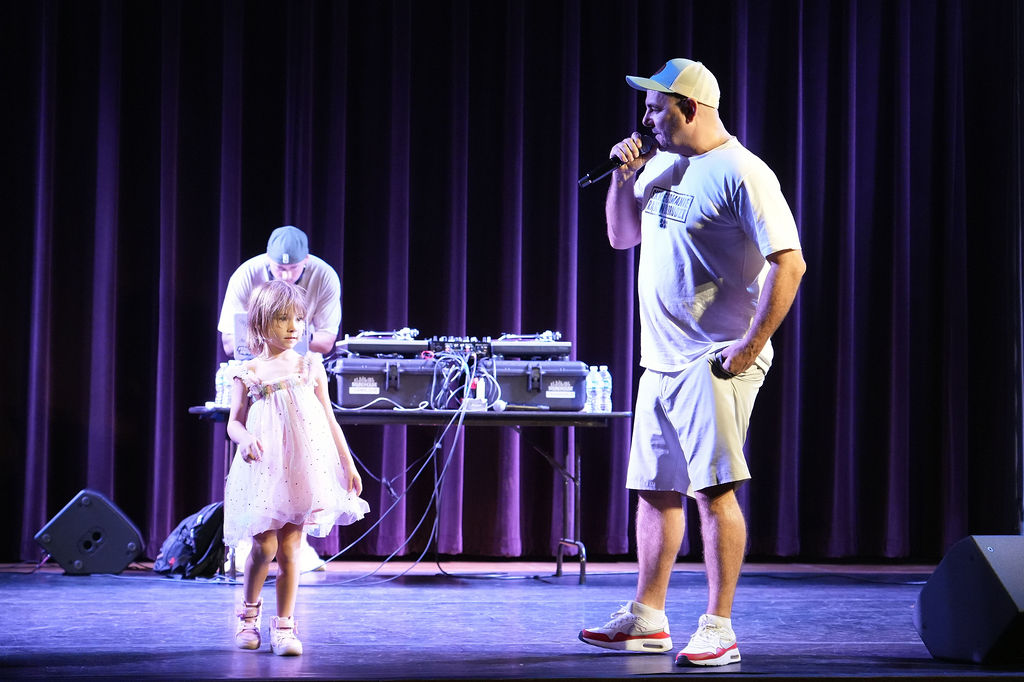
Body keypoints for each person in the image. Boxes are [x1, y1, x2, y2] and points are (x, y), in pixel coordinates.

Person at [579, 58, 805, 667]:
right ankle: (648, 617)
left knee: (713, 490)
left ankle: (719, 627)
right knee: (656, 490)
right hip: (660, 359)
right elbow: (621, 237)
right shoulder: (660, 164)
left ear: (690, 107)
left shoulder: (742, 171)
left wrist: (748, 347)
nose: (646, 119)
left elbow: (790, 263)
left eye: (656, 108)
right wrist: (623, 178)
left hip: (713, 357)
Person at [224, 280, 369, 655]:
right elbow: (233, 423)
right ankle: (248, 616)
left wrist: (348, 465)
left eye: (299, 319)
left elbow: (330, 419)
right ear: (260, 323)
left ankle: (285, 627)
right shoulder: (248, 371)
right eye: (282, 318)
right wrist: (245, 439)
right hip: (265, 468)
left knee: (291, 549)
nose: (293, 327)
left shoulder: (310, 366)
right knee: (264, 547)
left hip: (301, 467)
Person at [218, 225, 342, 357]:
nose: (286, 276)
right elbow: (229, 344)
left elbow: (326, 342)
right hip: (256, 358)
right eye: (280, 268)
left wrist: (299, 335)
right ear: (268, 258)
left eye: (294, 268)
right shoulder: (245, 275)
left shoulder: (325, 276)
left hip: (302, 361)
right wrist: (273, 337)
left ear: (306, 259)